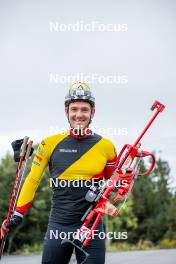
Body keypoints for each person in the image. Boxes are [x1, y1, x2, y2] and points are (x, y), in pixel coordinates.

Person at [1, 83, 118, 264]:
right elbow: (32, 179)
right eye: (74, 109)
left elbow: (114, 186)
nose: (79, 114)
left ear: (92, 112)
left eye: (84, 109)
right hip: (59, 225)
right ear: (66, 111)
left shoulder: (107, 147)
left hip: (92, 226)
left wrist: (126, 177)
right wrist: (18, 213)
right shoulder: (49, 144)